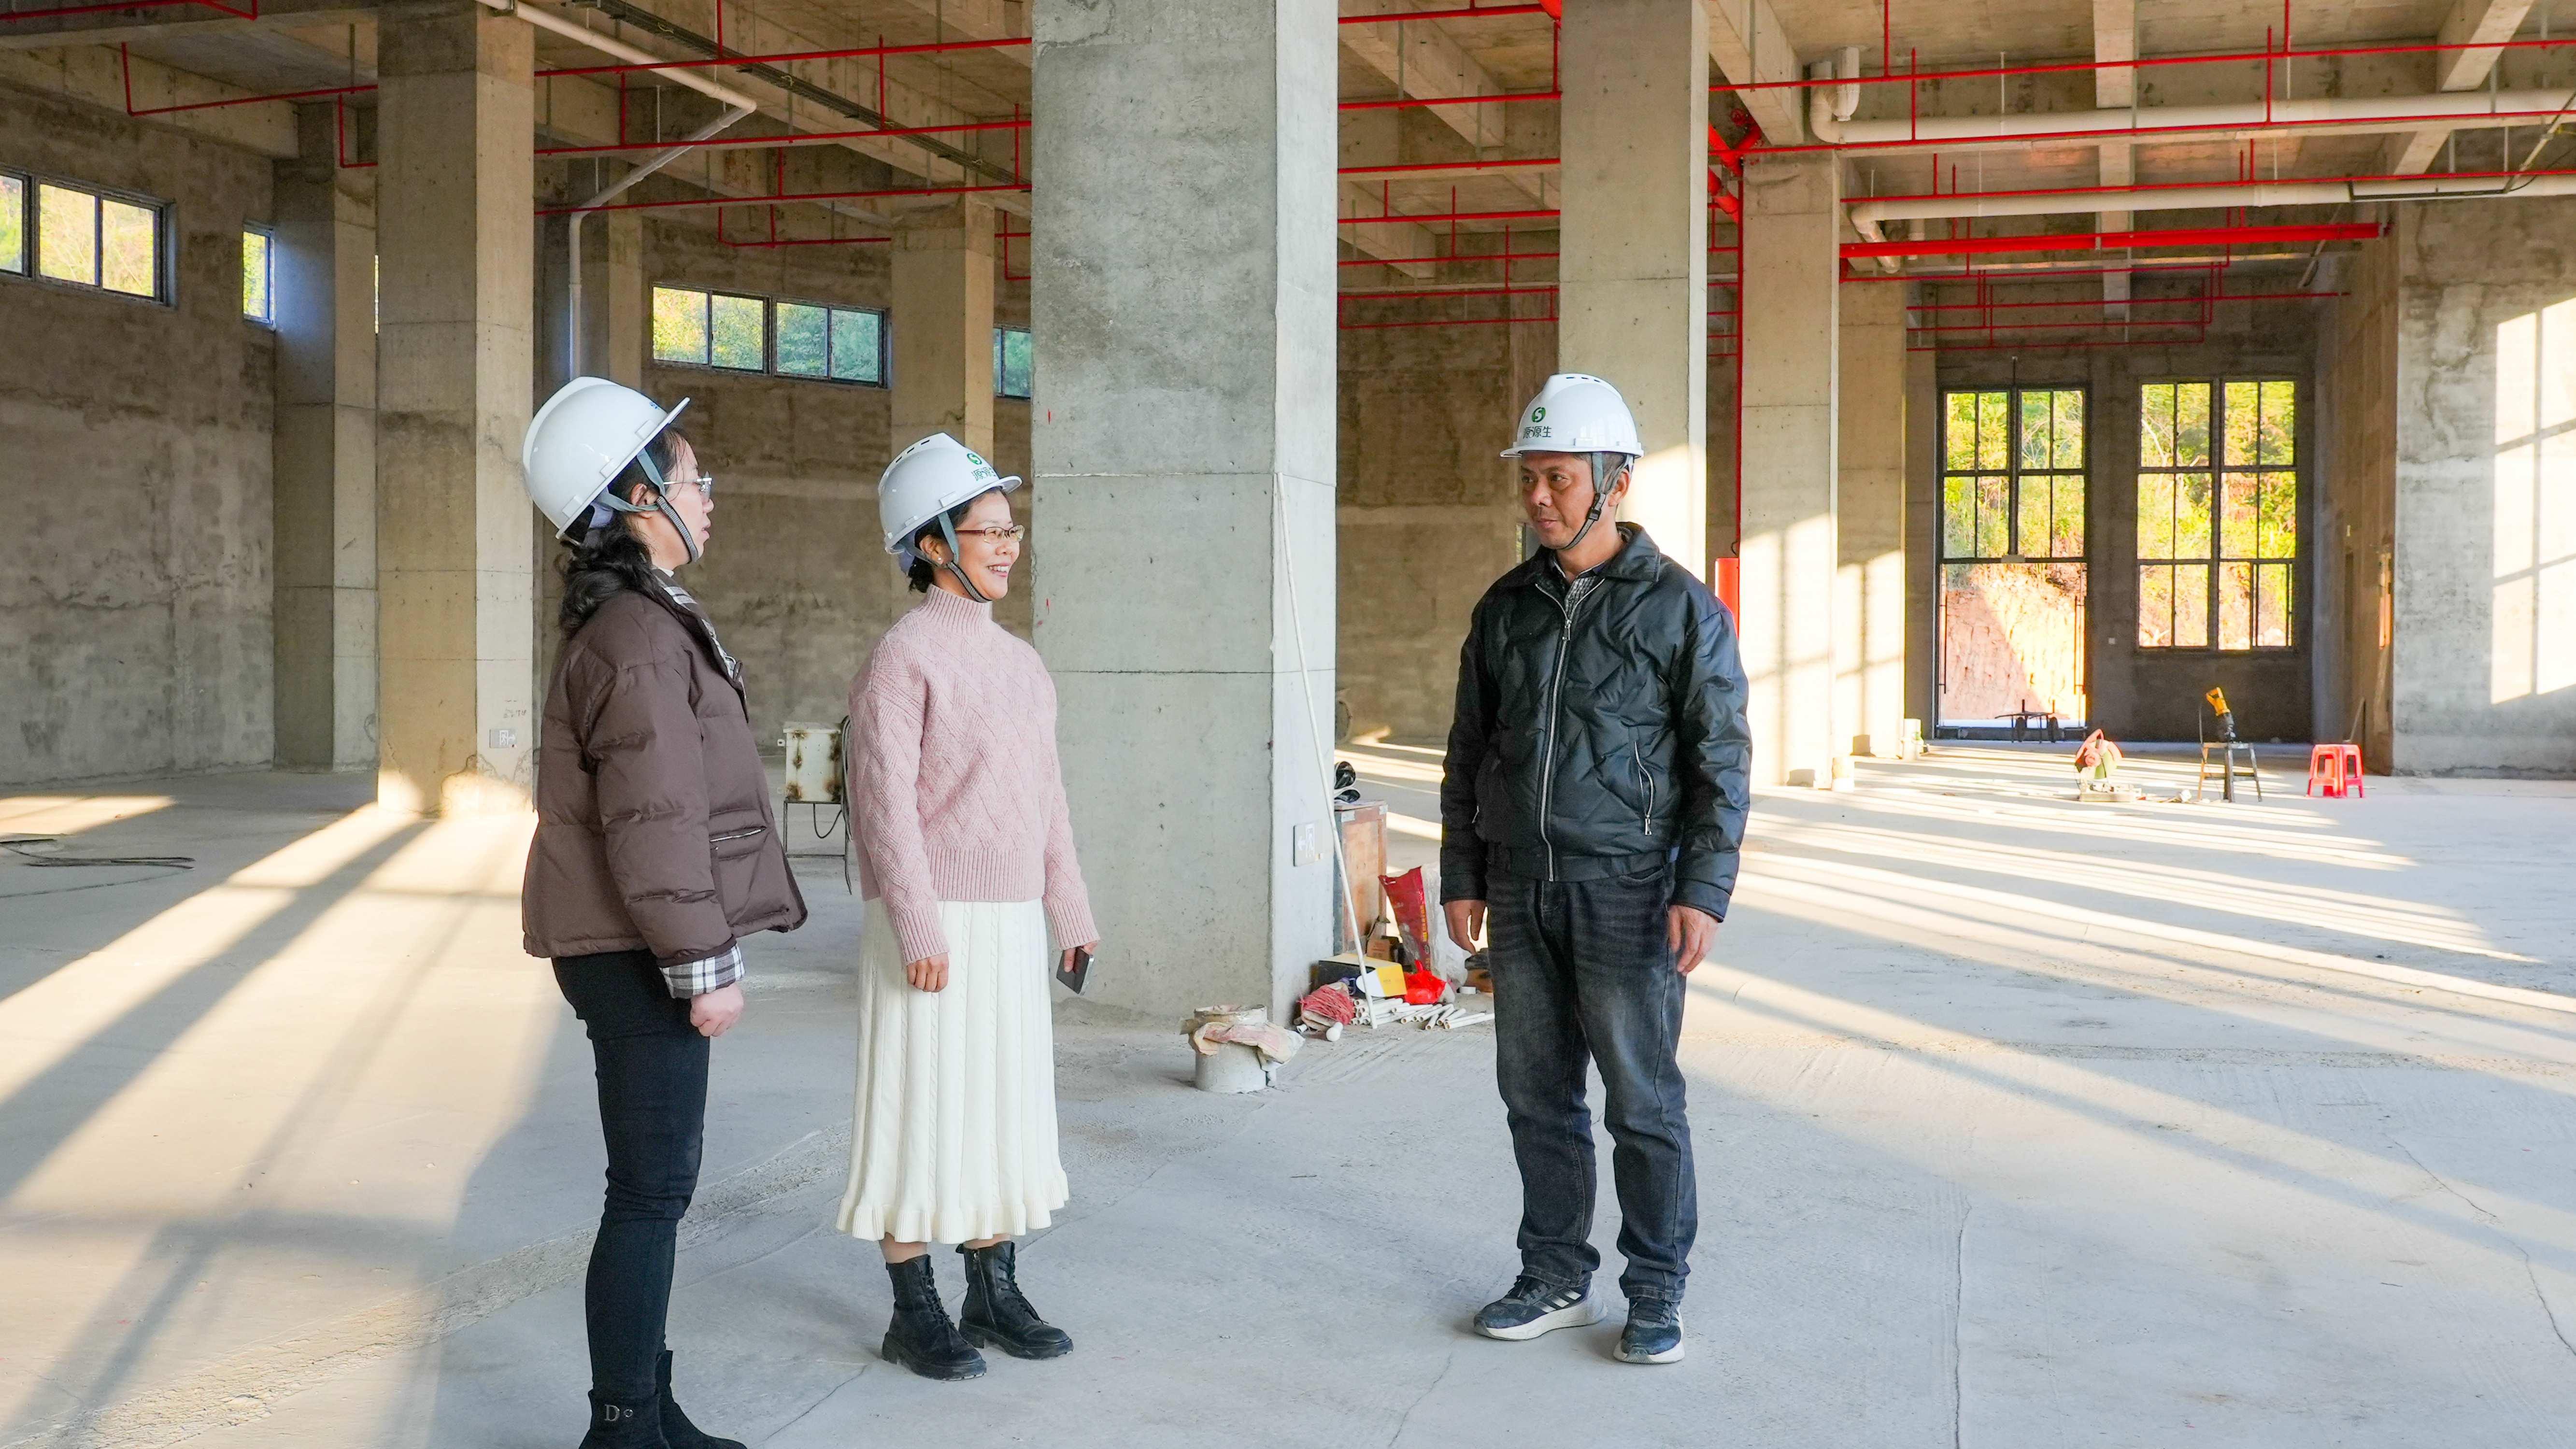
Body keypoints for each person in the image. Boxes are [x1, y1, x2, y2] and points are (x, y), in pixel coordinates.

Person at [1438, 373, 1751, 1365]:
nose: (1538, 498)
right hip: (1521, 887)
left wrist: (1702, 890)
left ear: (1614, 483)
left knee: (1643, 1103)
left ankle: (1654, 1290)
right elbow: (1468, 751)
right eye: (1529, 478)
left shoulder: (1680, 610)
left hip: (1629, 889)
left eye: (1559, 479)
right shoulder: (1505, 608)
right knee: (1536, 1098)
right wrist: (1462, 872)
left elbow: (1720, 762)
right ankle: (1554, 1276)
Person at [520, 377, 809, 1448]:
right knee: (648, 1195)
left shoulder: (640, 619)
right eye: (695, 480)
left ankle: (650, 1408)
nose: (709, 496)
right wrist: (703, 963)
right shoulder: (639, 635)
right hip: (635, 948)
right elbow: (656, 815)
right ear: (638, 496)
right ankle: (624, 1427)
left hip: (625, 941)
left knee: (655, 1189)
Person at [835, 433, 1101, 1382]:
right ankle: (914, 1311)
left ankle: (994, 1292)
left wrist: (1071, 911)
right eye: (987, 530)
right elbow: (883, 804)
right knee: (917, 1106)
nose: (1007, 545)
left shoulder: (1022, 664)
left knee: (1001, 1104)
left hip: (1009, 918)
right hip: (934, 921)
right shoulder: (901, 659)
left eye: (1010, 528)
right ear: (932, 544)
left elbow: (1046, 799)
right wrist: (917, 924)